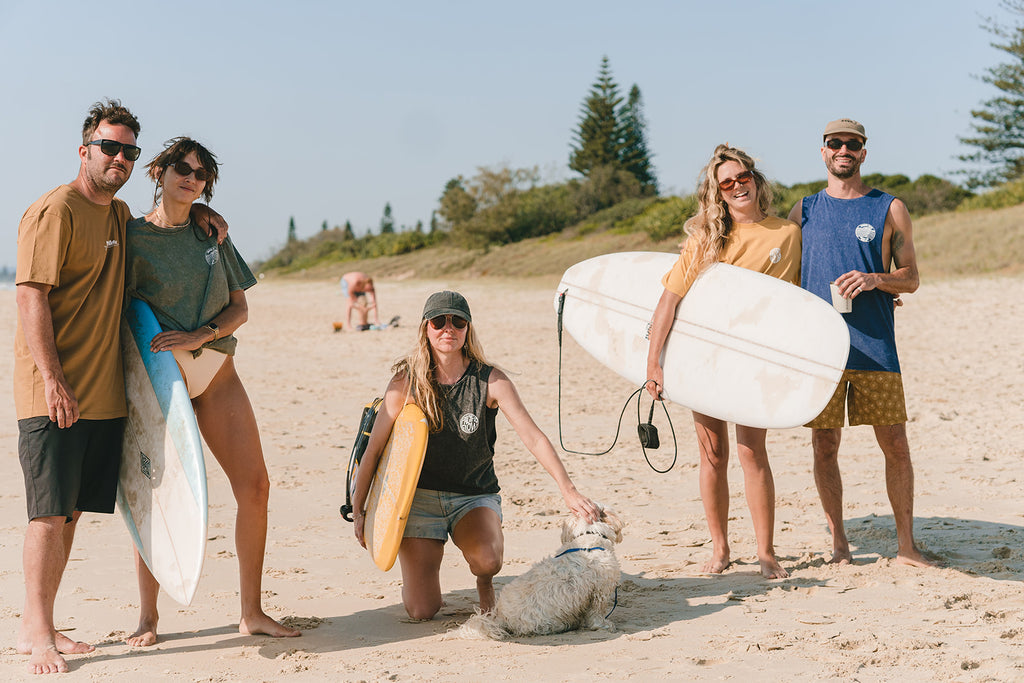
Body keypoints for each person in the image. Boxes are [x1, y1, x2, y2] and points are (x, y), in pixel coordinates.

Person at [122, 137, 301, 645]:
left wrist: (200, 335)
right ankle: (148, 619)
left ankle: (252, 612)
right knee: (154, 497)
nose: (191, 178)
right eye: (182, 168)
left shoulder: (212, 234)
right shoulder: (131, 236)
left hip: (217, 374)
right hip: (161, 380)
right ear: (158, 171)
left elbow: (240, 308)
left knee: (255, 487)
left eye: (201, 175)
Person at [350, 290, 600, 618]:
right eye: (439, 321)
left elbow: (533, 437)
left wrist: (569, 490)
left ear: (468, 328)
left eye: (458, 321)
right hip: (417, 501)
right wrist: (359, 509)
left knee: (488, 560)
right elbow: (374, 450)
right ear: (425, 328)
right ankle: (419, 575)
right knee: (422, 611)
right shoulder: (405, 383)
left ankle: (484, 581)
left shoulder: (490, 380)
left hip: (472, 497)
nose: (448, 328)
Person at [645, 144, 799, 579]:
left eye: (742, 177)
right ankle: (720, 549)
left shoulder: (787, 234)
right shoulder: (706, 239)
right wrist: (653, 364)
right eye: (726, 183)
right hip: (706, 359)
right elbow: (668, 303)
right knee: (713, 454)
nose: (737, 186)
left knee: (753, 452)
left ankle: (766, 553)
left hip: (754, 359)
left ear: (755, 179)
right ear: (718, 192)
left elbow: (799, 302)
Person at [788, 118, 934, 568]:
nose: (844, 150)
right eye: (835, 143)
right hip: (820, 353)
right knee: (824, 446)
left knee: (896, 444)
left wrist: (876, 279)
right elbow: (784, 280)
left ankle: (907, 546)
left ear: (863, 153)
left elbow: (911, 278)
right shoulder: (803, 211)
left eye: (853, 144)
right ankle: (839, 545)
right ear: (823, 151)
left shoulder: (889, 208)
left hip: (875, 346)